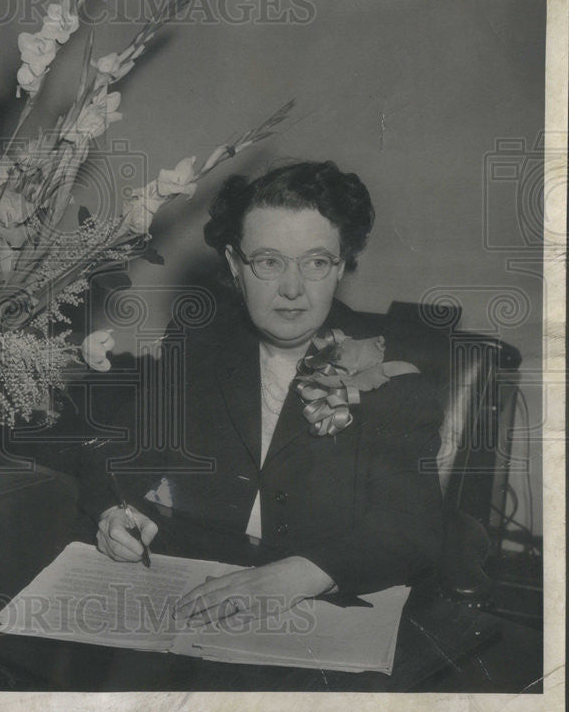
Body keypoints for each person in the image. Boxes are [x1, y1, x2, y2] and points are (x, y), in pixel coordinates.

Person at [82, 160, 445, 626]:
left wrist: (300, 575)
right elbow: (119, 453)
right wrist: (116, 511)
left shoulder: (391, 371)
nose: (292, 288)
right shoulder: (198, 343)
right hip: (195, 599)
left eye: (315, 262)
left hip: (324, 611)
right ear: (236, 265)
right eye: (269, 261)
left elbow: (412, 527)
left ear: (341, 267)